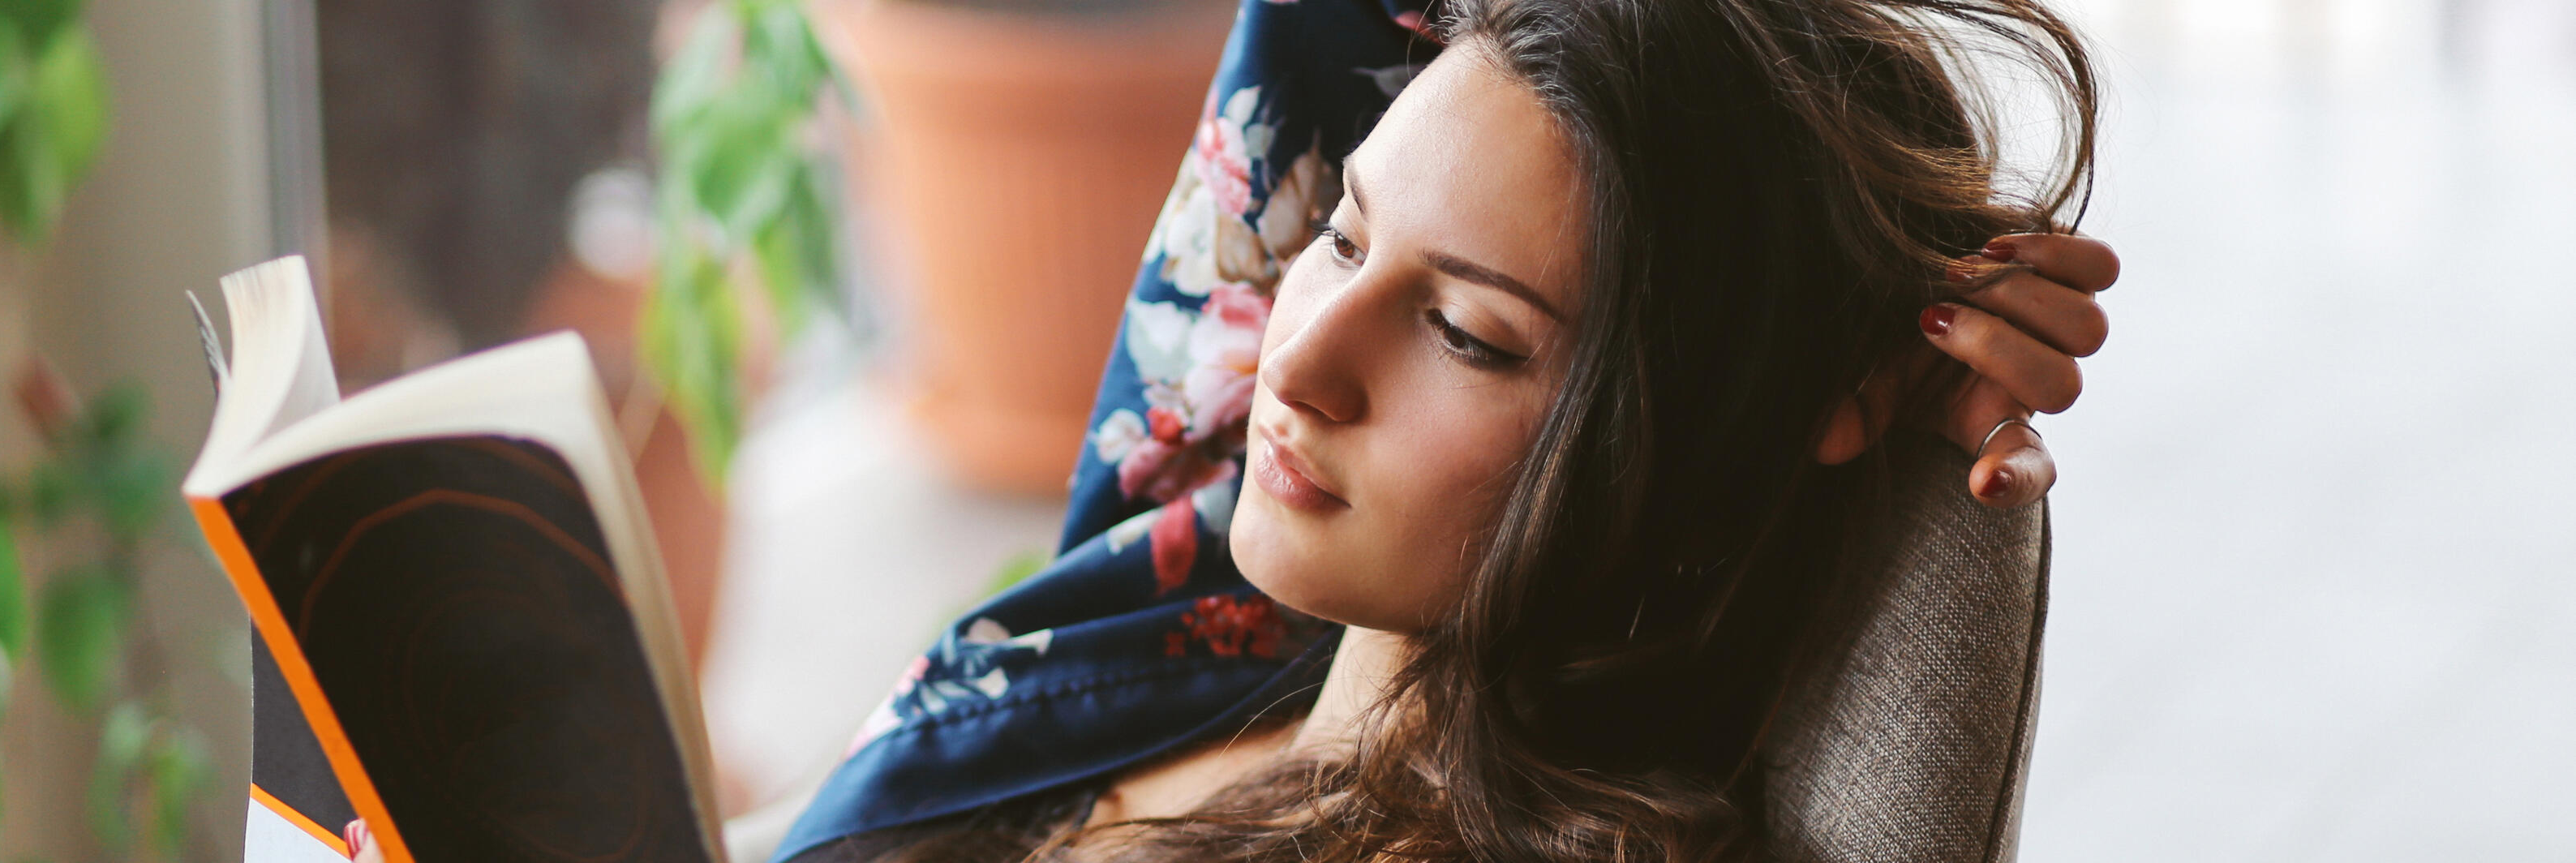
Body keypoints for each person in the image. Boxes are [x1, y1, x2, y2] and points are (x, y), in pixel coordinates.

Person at [364, 0, 2117, 857]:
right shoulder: (1197, 606)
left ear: (1699, 428)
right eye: (1342, 233)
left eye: (1464, 335)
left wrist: (1864, 382)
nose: (1304, 354)